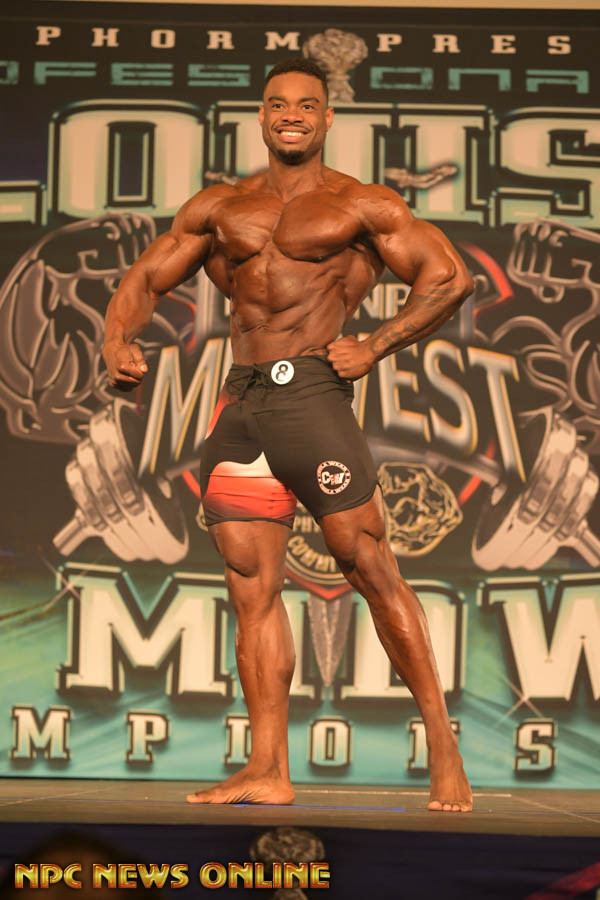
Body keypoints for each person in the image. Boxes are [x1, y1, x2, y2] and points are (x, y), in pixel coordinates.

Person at [103, 58, 474, 813]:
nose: (292, 115)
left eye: (307, 105)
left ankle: (442, 745)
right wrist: (118, 339)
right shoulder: (220, 206)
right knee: (251, 587)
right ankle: (267, 767)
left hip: (311, 398)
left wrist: (377, 344)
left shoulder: (361, 204)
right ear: (262, 116)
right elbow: (144, 278)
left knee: (367, 564)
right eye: (278, 104)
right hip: (242, 404)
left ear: (328, 118)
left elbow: (448, 277)